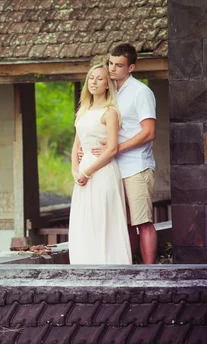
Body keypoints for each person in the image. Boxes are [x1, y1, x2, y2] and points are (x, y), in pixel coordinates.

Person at [83, 44, 158, 264]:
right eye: (110, 64)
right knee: (123, 224)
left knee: (142, 222)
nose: (112, 68)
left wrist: (114, 149)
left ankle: (150, 273)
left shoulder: (141, 92)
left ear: (131, 67)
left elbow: (149, 132)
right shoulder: (112, 93)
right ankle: (131, 269)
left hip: (136, 166)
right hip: (113, 169)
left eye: (119, 65)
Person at [68, 63, 132, 264]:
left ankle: (109, 263)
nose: (94, 82)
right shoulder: (83, 111)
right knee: (84, 219)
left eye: (99, 78)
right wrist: (75, 171)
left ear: (107, 84)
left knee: (102, 218)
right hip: (83, 171)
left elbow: (112, 149)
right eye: (91, 78)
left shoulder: (110, 111)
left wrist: (88, 172)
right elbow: (76, 146)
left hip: (102, 170)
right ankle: (84, 263)